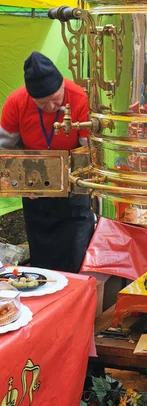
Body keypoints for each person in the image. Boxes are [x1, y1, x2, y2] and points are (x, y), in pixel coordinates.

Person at [0, 52, 95, 273]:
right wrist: (22, 180)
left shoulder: (79, 98)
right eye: (43, 104)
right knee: (42, 261)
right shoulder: (16, 102)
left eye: (55, 99)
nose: (52, 107)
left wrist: (68, 176)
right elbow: (4, 148)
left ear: (62, 84)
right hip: (36, 190)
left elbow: (89, 149)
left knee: (77, 257)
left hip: (74, 189)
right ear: (31, 97)